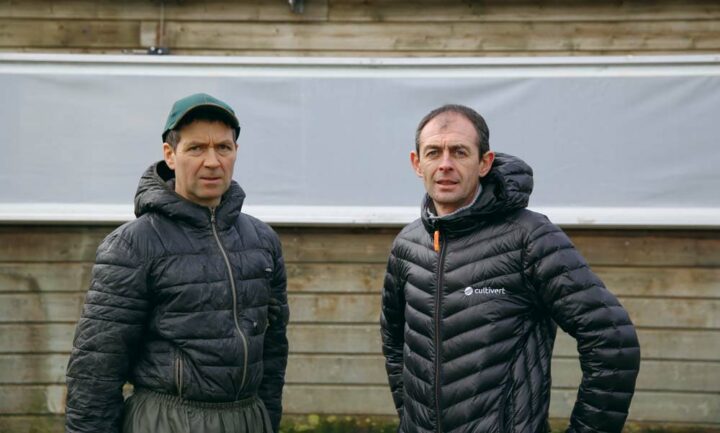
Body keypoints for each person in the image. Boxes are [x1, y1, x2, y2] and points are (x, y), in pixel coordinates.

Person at [380, 104, 640, 433]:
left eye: (459, 151)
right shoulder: (408, 244)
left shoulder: (530, 238)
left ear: (485, 162)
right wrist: (410, 418)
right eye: (434, 152)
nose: (445, 164)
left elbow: (613, 341)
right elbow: (393, 341)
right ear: (417, 163)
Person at [65, 93, 289, 433]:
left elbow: (273, 351)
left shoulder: (261, 240)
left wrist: (266, 420)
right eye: (196, 148)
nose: (212, 161)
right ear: (170, 155)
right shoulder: (133, 245)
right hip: (165, 421)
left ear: (235, 153)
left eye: (223, 148)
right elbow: (96, 368)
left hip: (247, 418)